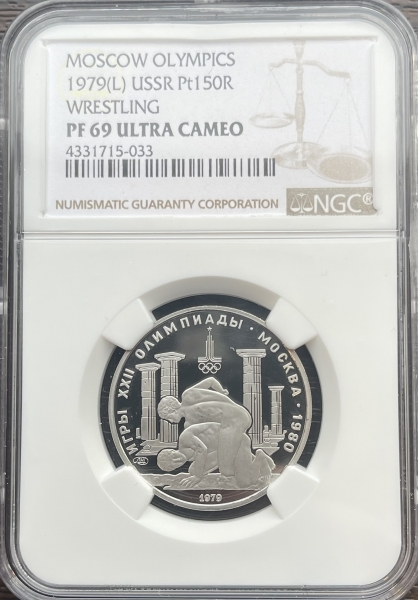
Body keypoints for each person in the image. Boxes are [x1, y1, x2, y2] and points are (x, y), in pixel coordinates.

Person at [157, 377, 251, 476]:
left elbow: (208, 440)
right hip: (242, 413)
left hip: (233, 422)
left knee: (226, 470)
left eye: (168, 418)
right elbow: (211, 381)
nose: (171, 421)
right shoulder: (188, 394)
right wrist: (221, 391)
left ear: (172, 410)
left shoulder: (190, 423)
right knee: (224, 456)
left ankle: (254, 464)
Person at [157, 421, 274, 489]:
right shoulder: (191, 456)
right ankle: (254, 460)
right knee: (195, 470)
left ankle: (260, 457)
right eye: (174, 465)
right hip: (228, 447)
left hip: (236, 439)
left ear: (172, 450)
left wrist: (198, 476)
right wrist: (196, 473)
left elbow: (202, 450)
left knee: (245, 482)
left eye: (173, 457)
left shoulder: (185, 439)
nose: (177, 460)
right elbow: (216, 455)